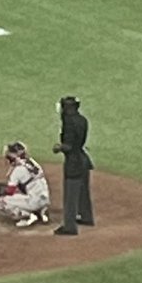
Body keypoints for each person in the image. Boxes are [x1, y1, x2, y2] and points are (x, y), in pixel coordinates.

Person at [53, 95, 94, 236]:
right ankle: (86, 216)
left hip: (74, 162)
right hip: (83, 159)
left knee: (70, 194)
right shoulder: (82, 120)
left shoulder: (69, 122)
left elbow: (69, 146)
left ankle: (70, 227)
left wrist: (59, 147)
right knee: (83, 191)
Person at [0, 141, 50, 227]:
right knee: (27, 188)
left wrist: (1, 193)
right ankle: (41, 211)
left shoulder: (17, 171)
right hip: (45, 199)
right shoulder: (33, 163)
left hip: (34, 201)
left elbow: (10, 191)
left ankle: (27, 216)